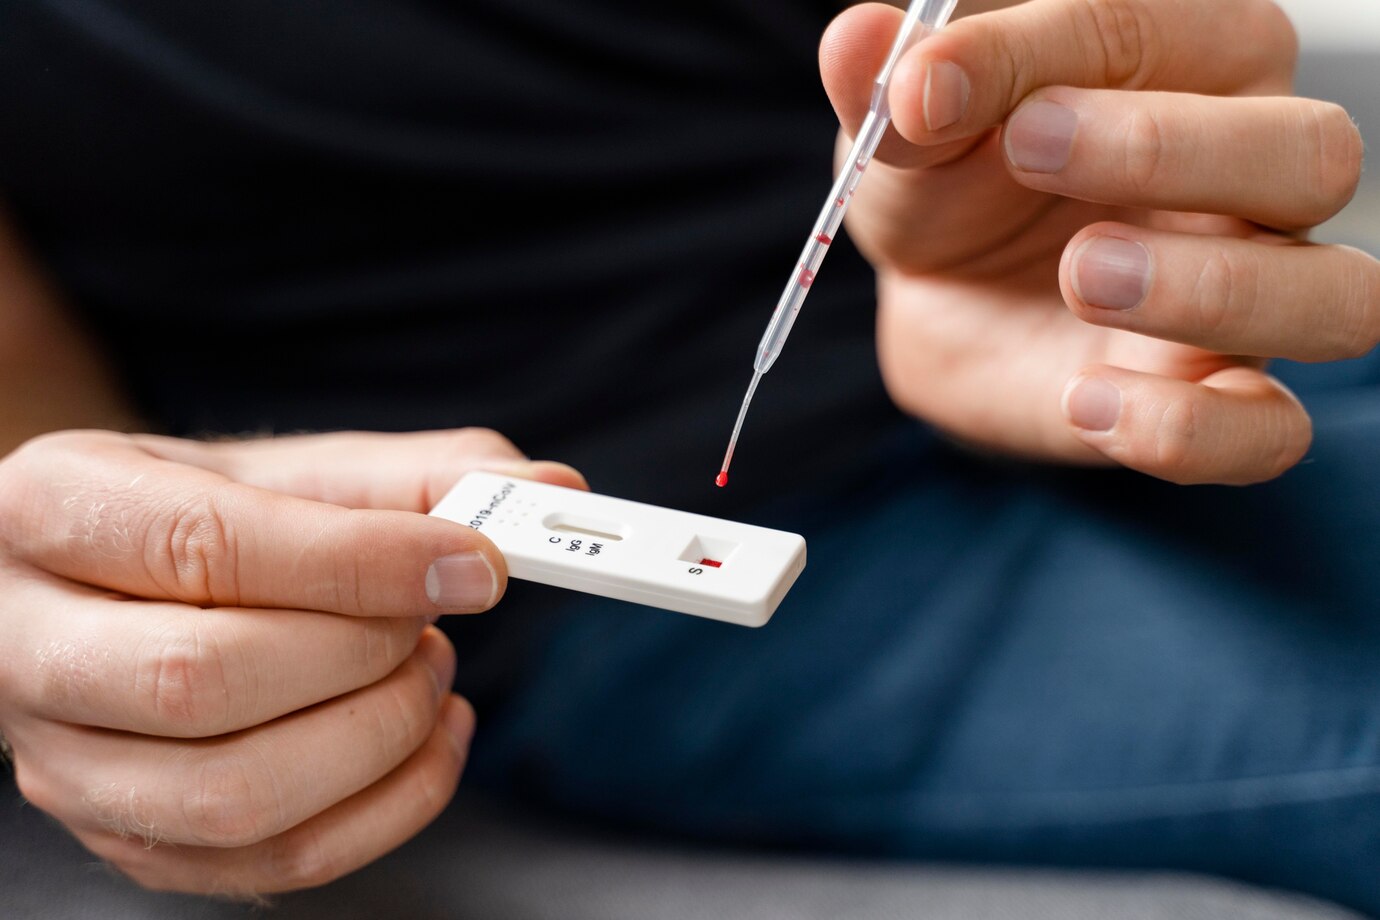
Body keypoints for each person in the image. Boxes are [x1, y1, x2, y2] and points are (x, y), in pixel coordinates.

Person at [1, 0, 1377, 911]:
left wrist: (1054, 136)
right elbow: (41, 439)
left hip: (1054, 327)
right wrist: (77, 596)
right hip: (622, 573)